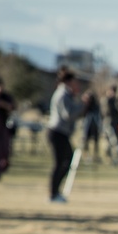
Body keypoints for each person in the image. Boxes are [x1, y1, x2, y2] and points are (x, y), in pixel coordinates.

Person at [46, 67, 87, 203]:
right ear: (69, 81)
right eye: (75, 81)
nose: (77, 84)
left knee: (64, 161)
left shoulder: (66, 94)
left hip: (61, 133)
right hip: (57, 132)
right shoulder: (63, 94)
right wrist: (83, 105)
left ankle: (54, 193)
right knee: (61, 163)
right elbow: (68, 114)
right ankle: (53, 194)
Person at [81, 89, 102, 162]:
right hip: (88, 125)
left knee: (95, 141)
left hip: (93, 125)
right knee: (86, 141)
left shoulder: (95, 106)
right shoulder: (86, 105)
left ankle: (94, 156)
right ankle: (87, 155)